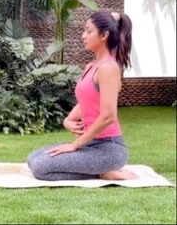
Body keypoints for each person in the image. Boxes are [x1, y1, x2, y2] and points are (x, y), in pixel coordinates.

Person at [27, 11, 137, 181]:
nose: (83, 35)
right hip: (90, 144)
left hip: (109, 149)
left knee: (41, 167)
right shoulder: (91, 66)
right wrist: (68, 120)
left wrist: (75, 145)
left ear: (104, 35)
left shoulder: (109, 68)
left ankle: (103, 173)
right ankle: (99, 171)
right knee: (33, 159)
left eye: (88, 31)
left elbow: (108, 116)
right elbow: (87, 100)